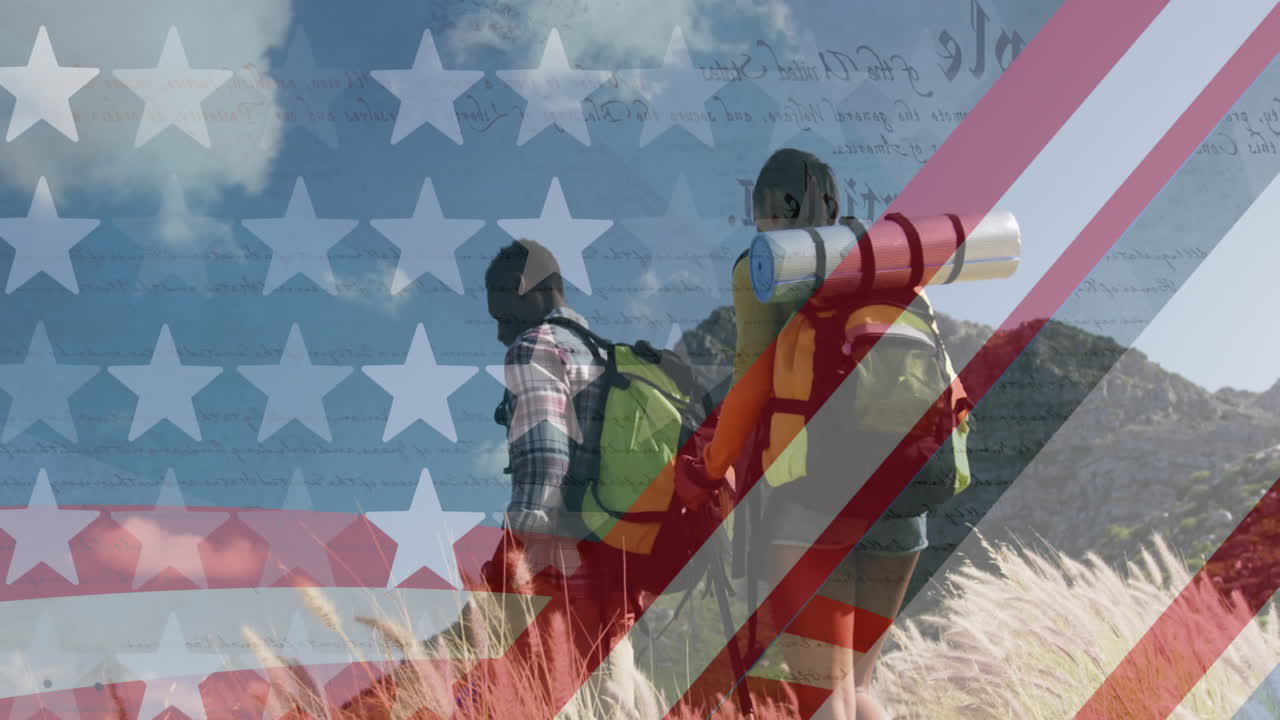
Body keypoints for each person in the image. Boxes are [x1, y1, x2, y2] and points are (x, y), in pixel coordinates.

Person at [701, 148, 926, 720]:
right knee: (863, 688)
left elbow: (752, 380)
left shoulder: (764, 267)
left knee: (824, 698)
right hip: (903, 498)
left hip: (813, 495)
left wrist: (712, 466)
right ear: (832, 201)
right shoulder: (892, 257)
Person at [481, 237, 654, 697]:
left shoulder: (534, 346)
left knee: (560, 695)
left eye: (500, 317)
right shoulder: (606, 355)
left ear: (522, 286)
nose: (501, 334)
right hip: (622, 557)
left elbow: (545, 457)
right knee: (614, 694)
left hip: (562, 561)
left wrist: (514, 551)